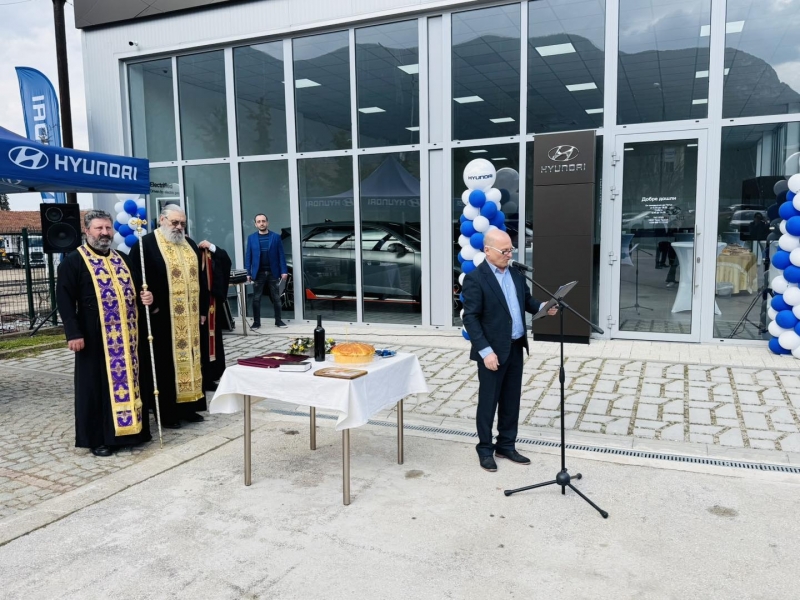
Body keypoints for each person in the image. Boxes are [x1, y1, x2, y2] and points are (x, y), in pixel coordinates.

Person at [56, 210, 153, 457]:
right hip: (94, 338)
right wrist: (73, 333)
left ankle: (132, 432)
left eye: (108, 228)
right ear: (87, 231)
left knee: (131, 383)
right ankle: (98, 439)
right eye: (99, 228)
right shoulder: (74, 261)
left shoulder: (122, 258)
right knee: (96, 388)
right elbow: (64, 300)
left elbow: (139, 290)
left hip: (128, 337)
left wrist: (147, 298)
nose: (104, 233)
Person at [461, 229, 557, 472]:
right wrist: (485, 352)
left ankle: (506, 445)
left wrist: (544, 306)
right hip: (492, 352)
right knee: (488, 402)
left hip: (515, 347)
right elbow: (470, 318)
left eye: (510, 249)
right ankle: (485, 449)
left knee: (511, 400)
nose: (509, 254)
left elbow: (527, 302)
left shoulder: (515, 274)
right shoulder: (476, 278)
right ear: (487, 250)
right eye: (504, 251)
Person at [128, 205, 209, 429]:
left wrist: (203, 309)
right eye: (175, 222)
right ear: (162, 220)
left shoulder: (189, 244)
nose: (179, 227)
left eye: (182, 223)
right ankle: (167, 413)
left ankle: (189, 406)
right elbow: (135, 280)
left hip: (191, 319)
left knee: (192, 362)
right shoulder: (145, 245)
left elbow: (201, 280)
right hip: (162, 320)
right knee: (165, 367)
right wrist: (151, 304)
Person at [198, 239, 232, 392]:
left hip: (210, 304)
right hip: (195, 306)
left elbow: (225, 260)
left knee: (212, 340)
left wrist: (211, 246)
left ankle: (212, 375)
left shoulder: (204, 252)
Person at [244, 214, 288, 329]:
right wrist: (248, 273)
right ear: (255, 224)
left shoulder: (276, 237)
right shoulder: (251, 238)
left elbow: (281, 255)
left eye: (263, 221)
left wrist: (284, 271)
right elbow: (248, 257)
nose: (261, 223)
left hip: (273, 272)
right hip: (258, 273)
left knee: (276, 297)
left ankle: (278, 321)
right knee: (256, 298)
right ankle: (256, 322)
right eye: (259, 221)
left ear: (267, 222)